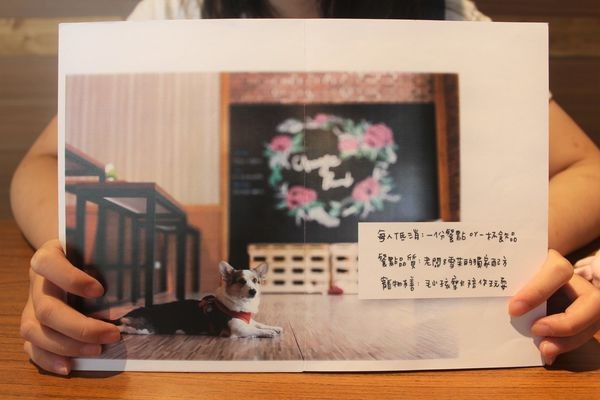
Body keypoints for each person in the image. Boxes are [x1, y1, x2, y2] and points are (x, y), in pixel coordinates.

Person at [11, 0, 600, 376]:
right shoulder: (175, 13)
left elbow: (586, 167)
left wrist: (509, 252)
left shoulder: (448, 18)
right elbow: (40, 163)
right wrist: (69, 264)